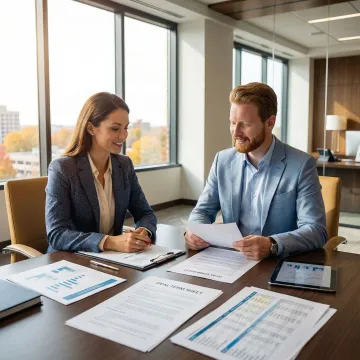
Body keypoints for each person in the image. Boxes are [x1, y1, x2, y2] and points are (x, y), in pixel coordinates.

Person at [185, 82, 327, 260]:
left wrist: (272, 244)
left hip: (276, 264)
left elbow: (316, 230)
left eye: (244, 124)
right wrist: (195, 231)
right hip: (232, 261)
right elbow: (202, 211)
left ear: (270, 122)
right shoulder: (222, 160)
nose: (236, 132)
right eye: (232, 123)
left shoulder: (301, 164)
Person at [45, 92, 157, 253]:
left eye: (126, 128)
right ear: (91, 127)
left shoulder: (124, 165)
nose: (124, 135)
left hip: (115, 259)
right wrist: (109, 242)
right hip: (71, 259)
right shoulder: (63, 168)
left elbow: (146, 213)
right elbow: (57, 235)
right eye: (115, 128)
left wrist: (143, 232)